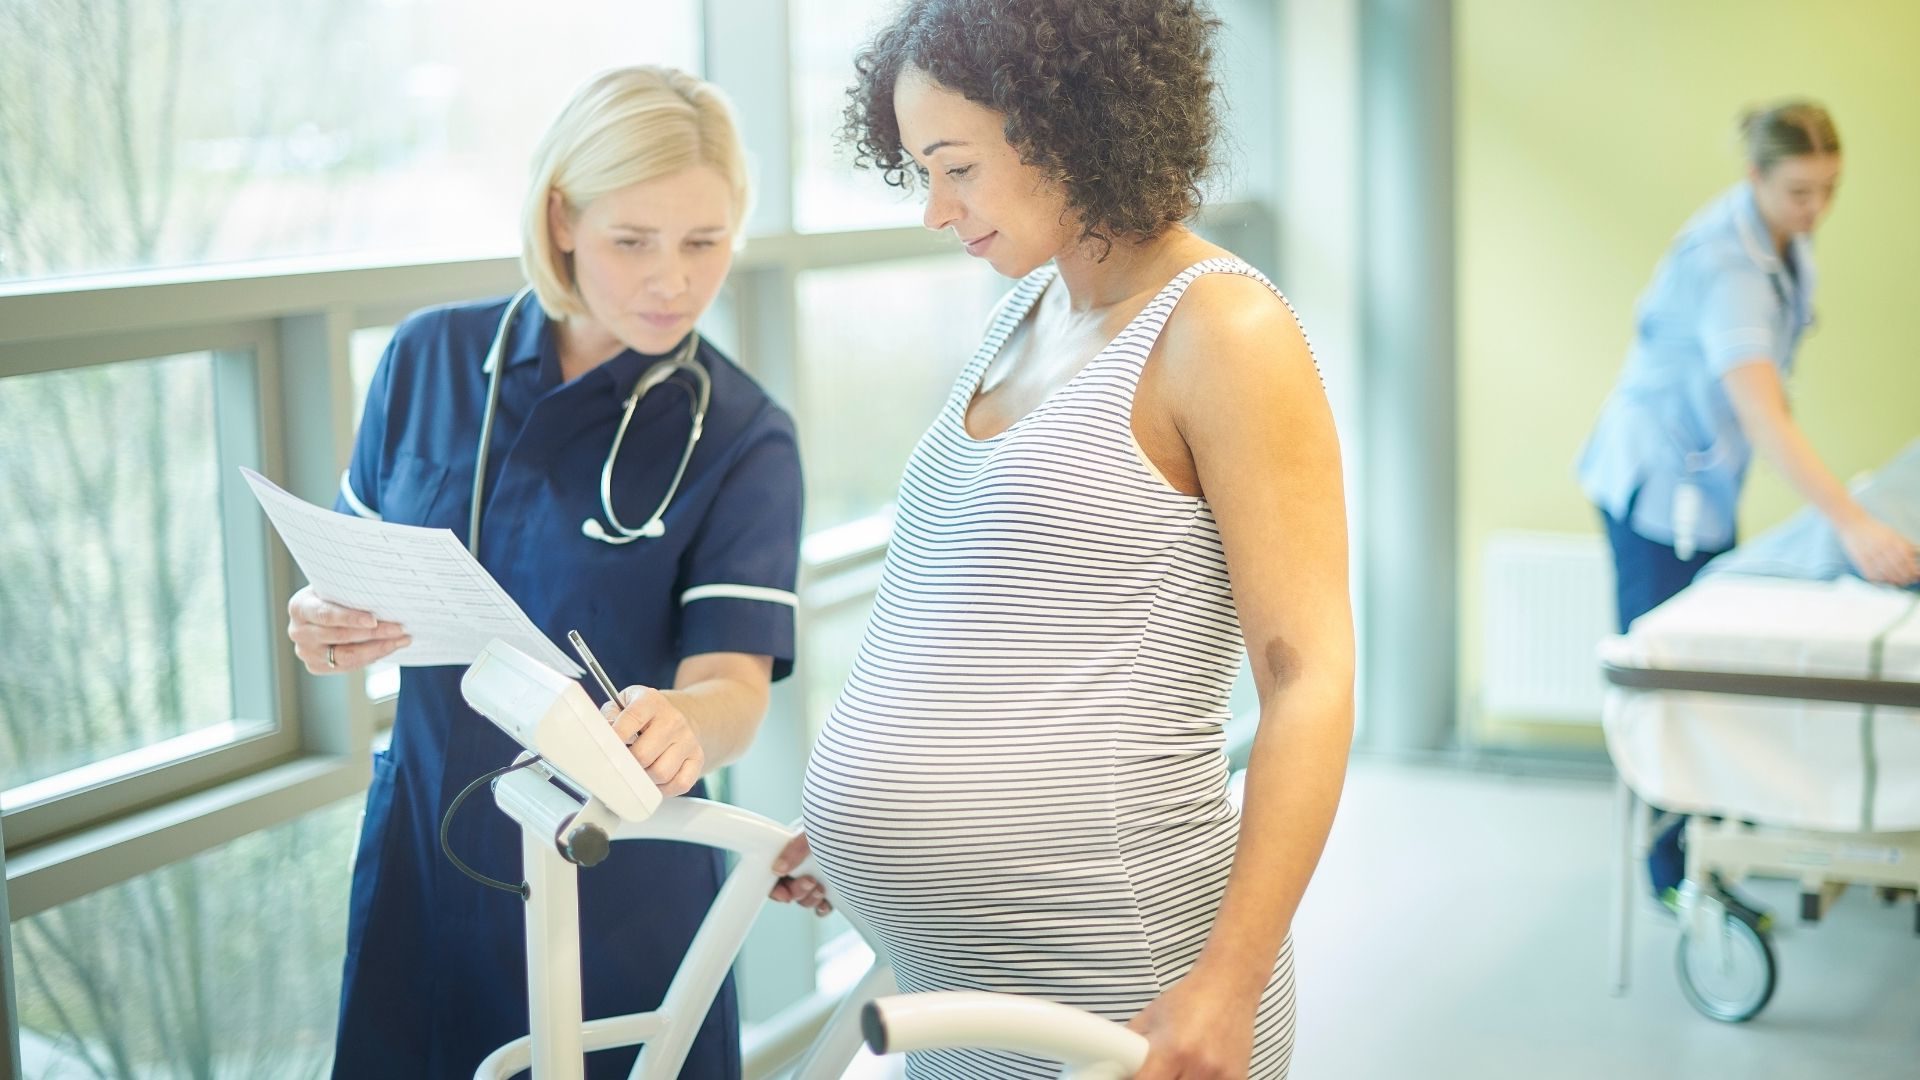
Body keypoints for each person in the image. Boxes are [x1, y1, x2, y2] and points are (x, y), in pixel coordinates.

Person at [770, 2, 1353, 1076]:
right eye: (919, 172)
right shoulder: (1027, 310)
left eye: (957, 168)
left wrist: (1228, 981)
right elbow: (980, 611)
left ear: (1067, 122)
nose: (936, 213)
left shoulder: (1225, 331)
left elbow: (1309, 682)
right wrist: (881, 846)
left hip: (1124, 980)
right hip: (960, 984)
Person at [284, 66, 803, 1079]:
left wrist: (688, 722)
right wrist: (319, 619)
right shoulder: (428, 359)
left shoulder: (743, 436)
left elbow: (735, 685)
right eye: (633, 241)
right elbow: (350, 571)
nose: (674, 281)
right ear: (562, 217)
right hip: (423, 861)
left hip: (617, 883)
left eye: (706, 242)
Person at [1577, 101, 1919, 910]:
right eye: (1800, 191)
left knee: (1710, 681)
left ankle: (1712, 841)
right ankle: (1675, 880)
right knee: (1671, 676)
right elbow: (1767, 416)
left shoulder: (1781, 242)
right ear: (1755, 177)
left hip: (1705, 482)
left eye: (1829, 190)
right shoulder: (1727, 266)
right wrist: (1855, 524)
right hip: (1656, 486)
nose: (1816, 210)